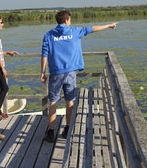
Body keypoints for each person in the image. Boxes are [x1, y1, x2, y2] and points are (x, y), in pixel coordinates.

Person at [41, 10, 117, 142]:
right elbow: (93, 28)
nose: (70, 22)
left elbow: (44, 55)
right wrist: (108, 25)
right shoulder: (74, 31)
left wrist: (42, 72)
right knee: (69, 101)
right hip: (70, 72)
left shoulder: (48, 35)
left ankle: (51, 132)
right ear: (66, 20)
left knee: (53, 101)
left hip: (55, 73)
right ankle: (67, 129)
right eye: (69, 20)